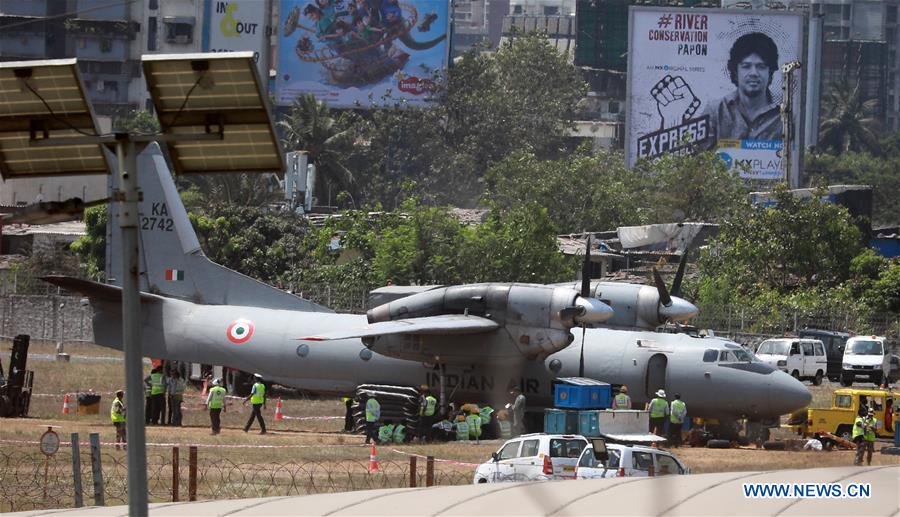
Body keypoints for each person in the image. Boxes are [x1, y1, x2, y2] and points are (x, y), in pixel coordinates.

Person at [703, 32, 782, 146]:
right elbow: (699, 160)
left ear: (770, 72)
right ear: (735, 70)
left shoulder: (784, 116)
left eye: (761, 67)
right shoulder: (716, 111)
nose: (754, 73)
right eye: (746, 66)